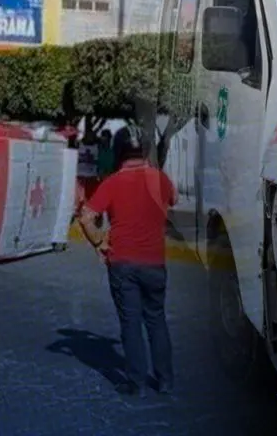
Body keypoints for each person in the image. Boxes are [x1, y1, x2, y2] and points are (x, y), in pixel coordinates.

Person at [79, 125, 177, 397]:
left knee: (131, 322)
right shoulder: (161, 180)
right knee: (156, 320)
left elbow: (85, 217)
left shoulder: (112, 182)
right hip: (155, 263)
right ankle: (166, 380)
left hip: (122, 262)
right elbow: (175, 199)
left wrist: (99, 240)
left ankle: (137, 383)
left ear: (120, 150)